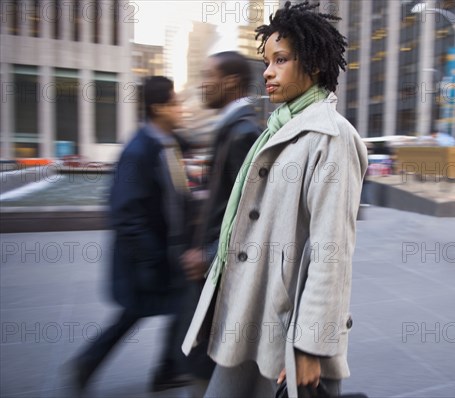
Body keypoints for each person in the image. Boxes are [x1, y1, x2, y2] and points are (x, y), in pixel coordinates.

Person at [181, 2, 368, 397]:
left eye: (280, 60)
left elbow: (331, 251)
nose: (267, 71)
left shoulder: (331, 138)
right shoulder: (278, 130)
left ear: (314, 64)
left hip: (288, 330)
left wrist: (309, 346)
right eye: (266, 60)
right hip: (251, 314)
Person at [67, 76, 192, 394]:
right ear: (158, 107)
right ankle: (91, 363)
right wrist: (151, 257)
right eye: (175, 102)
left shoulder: (167, 142)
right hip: (147, 258)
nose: (181, 108)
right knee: (144, 311)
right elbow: (124, 212)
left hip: (165, 253)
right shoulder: (139, 150)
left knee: (169, 308)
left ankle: (163, 369)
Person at [178, 51, 261, 395]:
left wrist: (208, 254)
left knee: (209, 369)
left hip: (221, 278)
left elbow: (250, 215)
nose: (202, 83)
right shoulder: (230, 127)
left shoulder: (243, 131)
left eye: (207, 75)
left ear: (230, 82)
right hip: (212, 274)